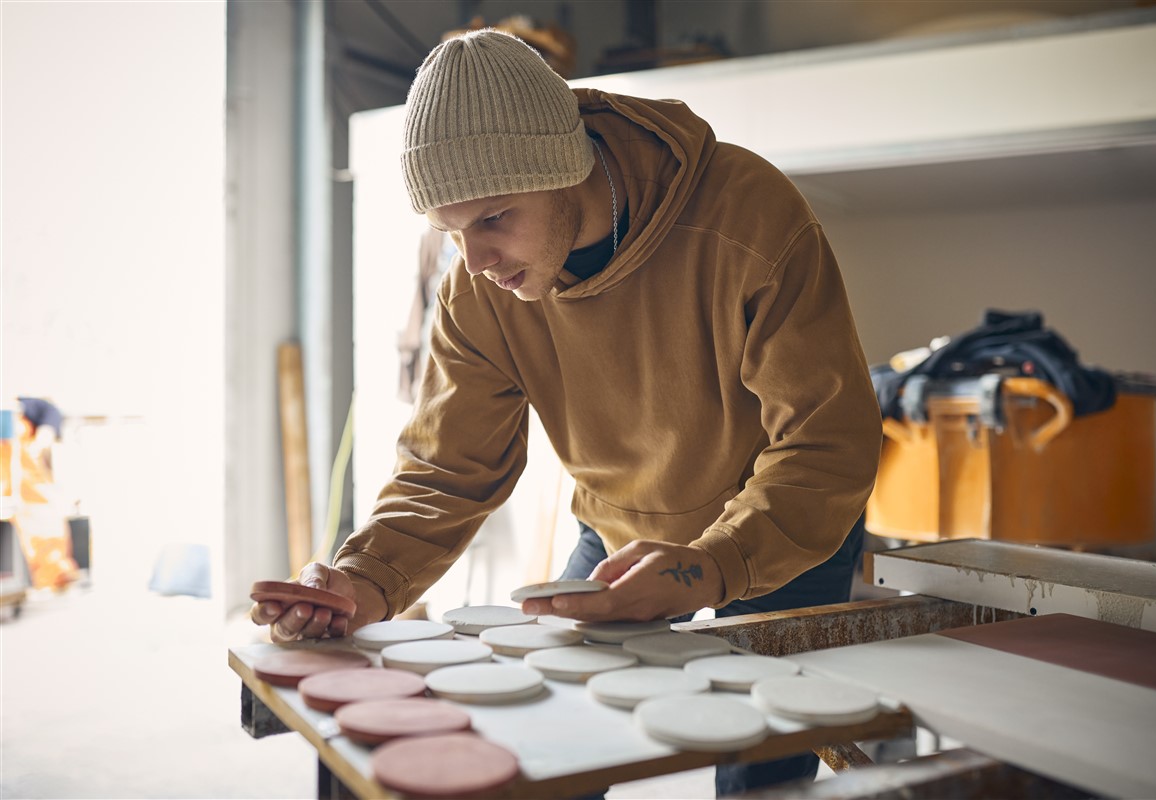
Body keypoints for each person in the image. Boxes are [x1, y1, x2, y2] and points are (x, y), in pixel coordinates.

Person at [253, 30, 880, 793]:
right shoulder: (476, 291)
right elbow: (448, 469)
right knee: (560, 751)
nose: (477, 262)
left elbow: (826, 442)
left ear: (564, 170)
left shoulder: (749, 219)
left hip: (782, 530)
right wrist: (367, 579)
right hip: (619, 526)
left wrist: (713, 565)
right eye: (452, 233)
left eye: (492, 218)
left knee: (761, 775)